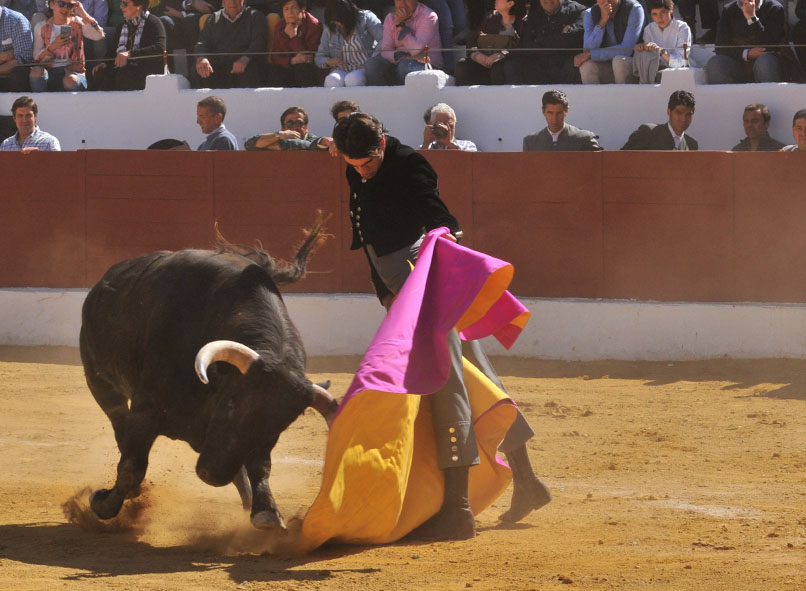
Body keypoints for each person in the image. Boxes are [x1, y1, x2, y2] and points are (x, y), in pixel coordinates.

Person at [332, 112, 551, 539]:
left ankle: (458, 508)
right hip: (402, 291)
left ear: (381, 142)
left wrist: (446, 234)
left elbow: (436, 212)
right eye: (354, 165)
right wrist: (386, 295)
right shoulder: (357, 160)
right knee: (477, 377)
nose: (361, 172)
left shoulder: (410, 163)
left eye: (367, 163)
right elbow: (371, 242)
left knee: (445, 384)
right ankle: (526, 481)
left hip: (423, 283)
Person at [89, 0, 165, 90]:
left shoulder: (153, 22)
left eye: (125, 3)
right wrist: (104, 63)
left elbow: (159, 49)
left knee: (125, 73)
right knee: (100, 73)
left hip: (145, 71)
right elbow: (112, 51)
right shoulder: (122, 26)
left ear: (139, 5)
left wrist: (130, 54)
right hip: (122, 72)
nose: (121, 6)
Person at [705, 0, 786, 84]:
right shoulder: (728, 10)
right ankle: (730, 97)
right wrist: (746, 54)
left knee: (764, 62)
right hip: (739, 64)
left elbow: (769, 45)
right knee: (715, 64)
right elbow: (720, 47)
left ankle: (767, 96)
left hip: (767, 64)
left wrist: (752, 18)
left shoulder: (774, 8)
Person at [30, 0, 104, 91]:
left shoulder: (77, 23)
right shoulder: (41, 27)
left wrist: (84, 14)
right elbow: (36, 59)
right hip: (50, 72)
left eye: (70, 5)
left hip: (74, 74)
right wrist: (53, 47)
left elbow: (99, 35)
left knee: (69, 80)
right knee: (36, 72)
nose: (65, 8)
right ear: (52, 4)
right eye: (61, 4)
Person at [364, 0, 443, 85]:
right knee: (372, 64)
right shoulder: (390, 18)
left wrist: (401, 27)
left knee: (404, 66)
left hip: (427, 65)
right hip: (399, 62)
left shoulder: (429, 16)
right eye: (399, 0)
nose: (403, 4)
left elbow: (416, 49)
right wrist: (400, 56)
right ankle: (382, 97)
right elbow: (385, 51)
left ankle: (407, 97)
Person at [193, 0, 268, 89]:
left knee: (252, 70)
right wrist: (202, 58)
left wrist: (245, 58)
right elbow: (202, 42)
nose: (232, 2)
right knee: (198, 70)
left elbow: (259, 42)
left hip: (245, 65)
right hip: (219, 67)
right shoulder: (213, 18)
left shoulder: (255, 16)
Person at [511, 0, 585, 85]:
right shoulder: (534, 12)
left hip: (565, 62)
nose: (548, 0)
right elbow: (527, 43)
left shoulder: (578, 11)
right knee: (515, 65)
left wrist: (540, 40)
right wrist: (559, 35)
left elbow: (571, 39)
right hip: (541, 62)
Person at [453, 0, 525, 86]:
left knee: (498, 66)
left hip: (505, 63)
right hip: (484, 60)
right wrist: (476, 55)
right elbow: (473, 39)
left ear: (510, 4)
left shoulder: (522, 23)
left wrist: (501, 55)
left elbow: (523, 47)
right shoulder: (491, 17)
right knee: (462, 66)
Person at [315, 0, 382, 87]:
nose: (336, 24)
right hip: (341, 69)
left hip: (363, 67)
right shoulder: (329, 27)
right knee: (331, 80)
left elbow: (383, 39)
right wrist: (328, 61)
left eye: (339, 21)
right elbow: (319, 57)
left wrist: (369, 63)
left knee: (353, 79)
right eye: (334, 21)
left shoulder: (366, 18)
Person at [575, 0, 644, 84]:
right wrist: (602, 21)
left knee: (619, 61)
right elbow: (588, 49)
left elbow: (627, 49)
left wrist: (591, 54)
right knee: (586, 66)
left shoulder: (634, 8)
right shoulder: (590, 13)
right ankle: (593, 97)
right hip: (607, 67)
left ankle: (623, 96)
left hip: (632, 67)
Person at [631, 0, 690, 84]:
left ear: (671, 10)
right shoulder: (649, 29)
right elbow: (648, 57)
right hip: (654, 67)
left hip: (677, 70)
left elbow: (682, 62)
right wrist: (642, 48)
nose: (659, 18)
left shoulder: (682, 28)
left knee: (660, 76)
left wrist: (661, 51)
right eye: (654, 14)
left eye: (663, 12)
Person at [523, 89, 602, 151]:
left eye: (559, 113)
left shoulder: (585, 138)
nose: (554, 118)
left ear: (566, 111)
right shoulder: (531, 142)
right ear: (543, 111)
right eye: (550, 113)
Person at [268, 0, 322, 87]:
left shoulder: (314, 26)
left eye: (293, 8)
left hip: (308, 70)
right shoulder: (280, 25)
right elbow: (274, 57)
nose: (290, 12)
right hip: (288, 66)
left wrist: (293, 36)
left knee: (302, 68)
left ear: (303, 9)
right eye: (286, 9)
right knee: (274, 71)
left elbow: (307, 58)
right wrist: (292, 61)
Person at [621, 89, 698, 150]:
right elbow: (621, 159)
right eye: (679, 113)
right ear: (669, 112)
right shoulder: (648, 133)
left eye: (688, 115)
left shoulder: (692, 145)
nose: (683, 119)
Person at [244, 106, 330, 150]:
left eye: (299, 123)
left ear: (306, 127)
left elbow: (309, 145)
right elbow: (249, 144)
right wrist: (280, 135)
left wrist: (269, 146)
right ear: (283, 127)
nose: (295, 127)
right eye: (290, 123)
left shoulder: (312, 139)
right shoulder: (276, 137)